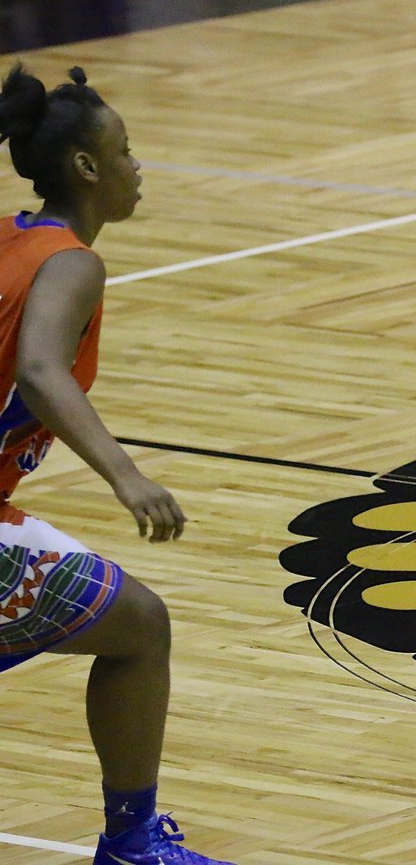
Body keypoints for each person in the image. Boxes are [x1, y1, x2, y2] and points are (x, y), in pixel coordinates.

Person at [0, 63, 234, 864]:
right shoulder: (71, 262)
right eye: (127, 151)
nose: (141, 167)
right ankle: (133, 843)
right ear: (87, 168)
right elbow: (39, 368)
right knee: (141, 628)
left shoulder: (9, 235)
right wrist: (124, 473)